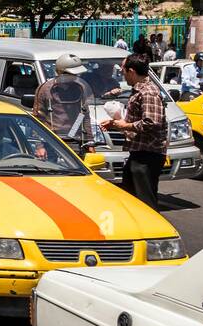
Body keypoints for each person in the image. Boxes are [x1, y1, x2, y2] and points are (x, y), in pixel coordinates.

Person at [103, 56, 167, 211]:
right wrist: (116, 124)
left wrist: (126, 125)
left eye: (123, 71)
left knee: (145, 201)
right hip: (138, 151)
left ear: (131, 71)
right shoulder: (138, 90)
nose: (122, 75)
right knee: (131, 197)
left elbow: (152, 122)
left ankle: (153, 231)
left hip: (148, 154)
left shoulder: (148, 92)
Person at [31, 53, 95, 150]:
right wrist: (39, 146)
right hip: (51, 141)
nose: (74, 77)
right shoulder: (45, 89)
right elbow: (38, 119)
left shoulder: (79, 89)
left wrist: (89, 142)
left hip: (74, 140)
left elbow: (84, 116)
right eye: (71, 74)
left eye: (76, 74)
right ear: (60, 72)